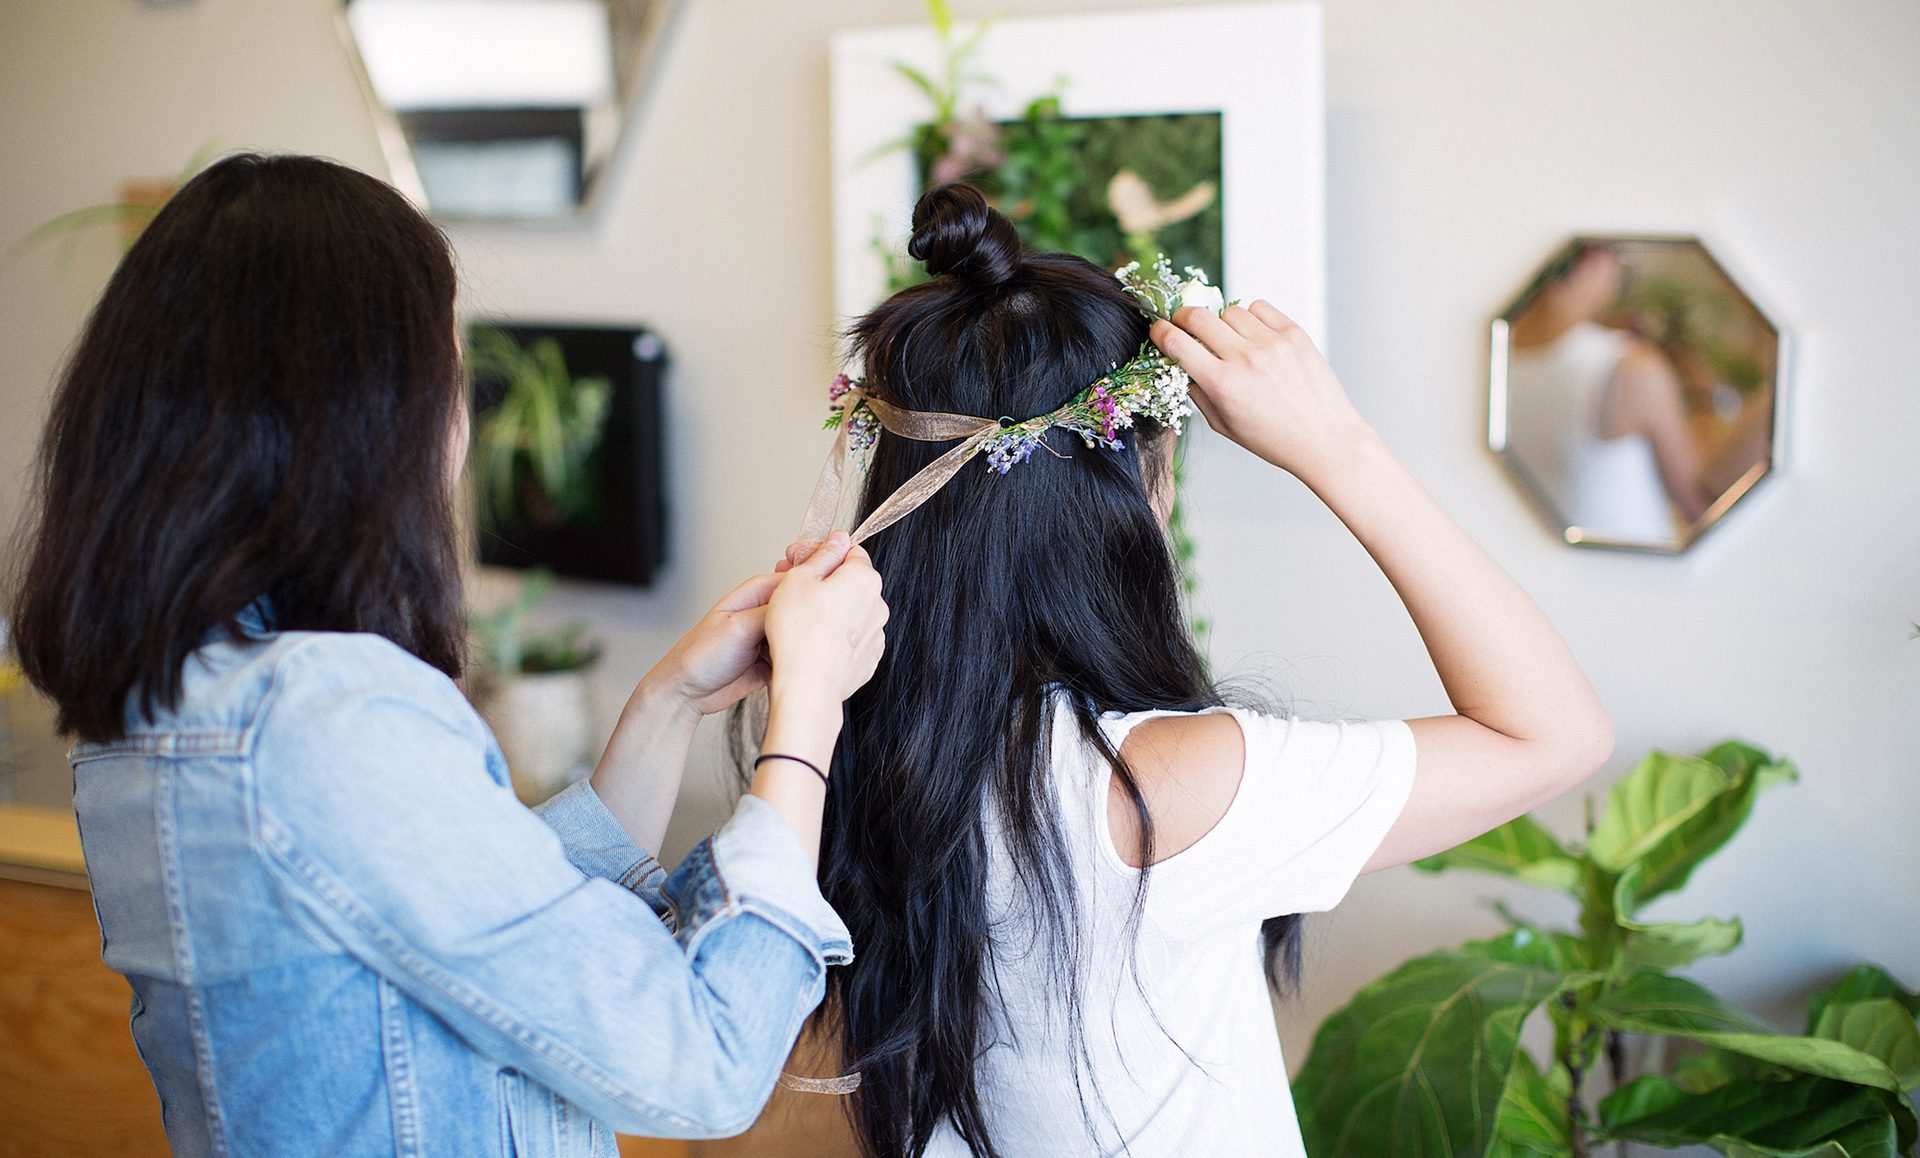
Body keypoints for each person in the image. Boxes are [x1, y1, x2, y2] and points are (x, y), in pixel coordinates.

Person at [4, 152, 889, 1156]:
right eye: (450, 372)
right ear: (369, 414)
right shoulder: (328, 720)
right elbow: (705, 1063)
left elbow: (494, 927)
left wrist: (666, 704)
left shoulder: (174, 702)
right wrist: (807, 711)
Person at [775, 184, 1612, 1157]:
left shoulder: (832, 725)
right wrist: (1341, 450)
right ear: (1138, 483)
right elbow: (1554, 734)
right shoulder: (1166, 787)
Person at [1505, 243, 1709, 542]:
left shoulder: (1492, 356)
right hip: (1632, 577)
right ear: (1596, 261)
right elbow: (1699, 504)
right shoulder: (1628, 366)